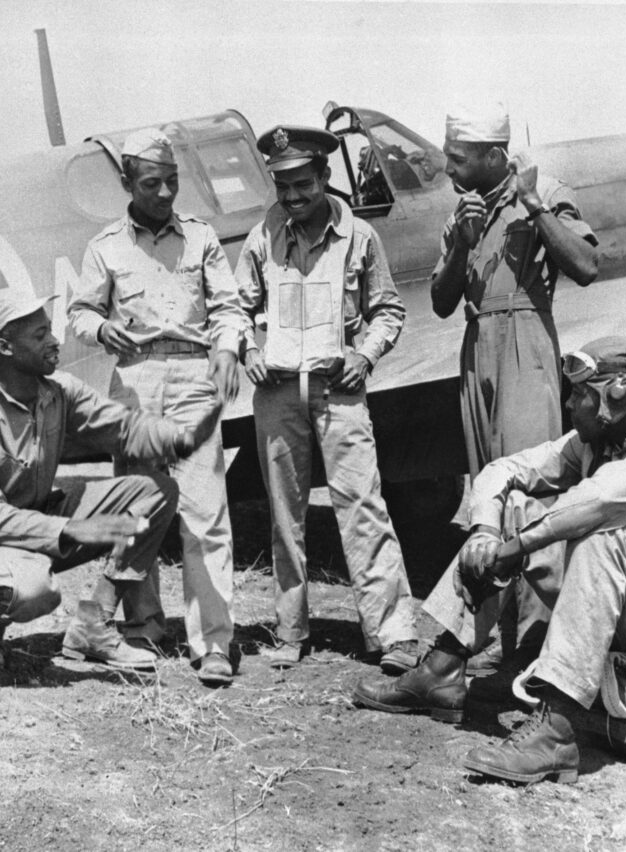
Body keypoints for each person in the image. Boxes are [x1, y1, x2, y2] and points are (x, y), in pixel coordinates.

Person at [352, 336, 626, 784]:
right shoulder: (604, 437)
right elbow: (501, 471)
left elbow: (599, 501)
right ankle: (442, 669)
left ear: (619, 394)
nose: (570, 403)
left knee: (599, 533)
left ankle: (556, 734)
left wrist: (514, 548)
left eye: (582, 394)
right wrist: (486, 531)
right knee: (515, 508)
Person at [0, 291, 224, 675]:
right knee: (33, 588)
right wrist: (70, 527)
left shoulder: (57, 389)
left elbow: (122, 428)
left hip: (38, 520)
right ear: (5, 347)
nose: (55, 342)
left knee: (154, 492)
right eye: (40, 336)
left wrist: (178, 438)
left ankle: (95, 622)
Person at [234, 125, 416, 671]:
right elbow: (232, 309)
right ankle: (290, 631)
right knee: (285, 516)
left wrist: (366, 354)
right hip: (278, 394)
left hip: (340, 393)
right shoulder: (262, 238)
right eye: (282, 187)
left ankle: (393, 635)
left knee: (364, 508)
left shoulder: (359, 236)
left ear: (325, 177)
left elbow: (388, 308)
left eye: (302, 186)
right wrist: (247, 350)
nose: (291, 198)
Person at [68, 128, 243, 686]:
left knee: (205, 512)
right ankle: (144, 622)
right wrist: (101, 328)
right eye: (152, 183)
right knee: (139, 505)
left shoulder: (201, 239)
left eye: (172, 181)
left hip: (194, 378)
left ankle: (213, 642)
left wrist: (226, 348)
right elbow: (79, 312)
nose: (165, 193)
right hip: (136, 382)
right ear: (126, 183)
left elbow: (230, 307)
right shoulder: (106, 245)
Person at [430, 101, 600, 676]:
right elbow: (441, 302)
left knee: (530, 496)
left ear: (494, 156)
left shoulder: (545, 191)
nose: (448, 168)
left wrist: (533, 205)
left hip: (527, 345)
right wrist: (459, 244)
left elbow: (587, 265)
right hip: (477, 348)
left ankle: (537, 652)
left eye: (458, 158)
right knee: (488, 498)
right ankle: (503, 652)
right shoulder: (465, 209)